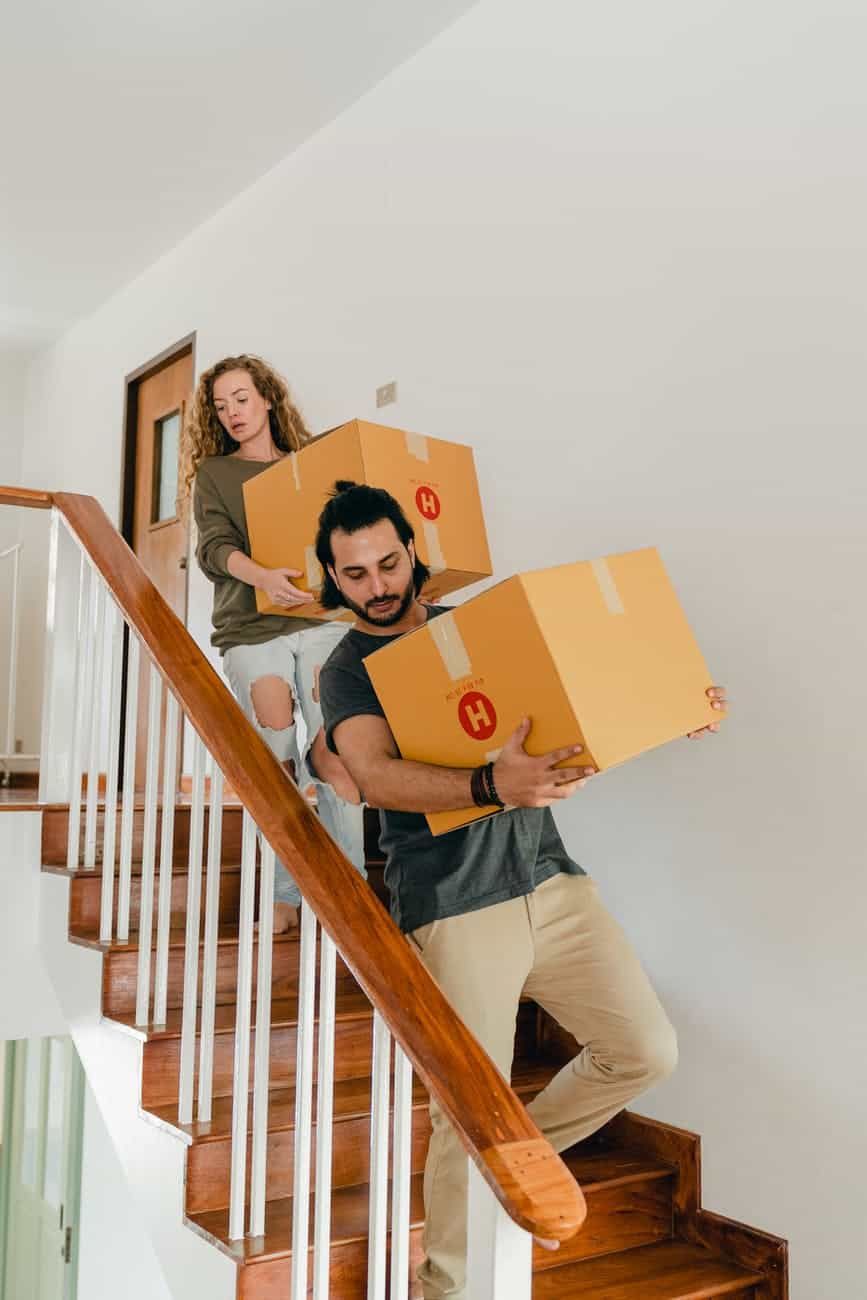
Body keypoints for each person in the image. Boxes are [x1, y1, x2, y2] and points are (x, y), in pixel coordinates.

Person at [314, 481, 727, 1300]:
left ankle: (504, 1164)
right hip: (454, 907)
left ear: (411, 553)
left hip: (552, 881)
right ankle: (449, 1286)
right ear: (332, 578)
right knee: (467, 1108)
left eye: (388, 563)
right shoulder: (348, 670)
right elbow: (373, 775)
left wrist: (669, 707)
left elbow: (569, 722)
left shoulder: (474, 633)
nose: (378, 585)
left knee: (645, 1051)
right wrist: (490, 785)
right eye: (355, 574)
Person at [179, 356, 365, 931]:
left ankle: (350, 886)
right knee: (278, 754)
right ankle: (286, 891)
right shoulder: (215, 473)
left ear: (266, 398)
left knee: (339, 750)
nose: (231, 412)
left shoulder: (310, 469)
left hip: (321, 620)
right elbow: (214, 549)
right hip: (252, 627)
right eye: (220, 405)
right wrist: (261, 577)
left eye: (240, 398)